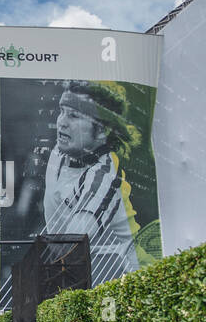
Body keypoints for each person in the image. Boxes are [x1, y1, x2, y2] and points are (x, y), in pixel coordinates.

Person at [34, 81, 143, 282]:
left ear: (102, 130)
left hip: (128, 279)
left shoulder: (105, 176)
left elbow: (72, 245)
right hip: (82, 275)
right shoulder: (58, 153)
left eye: (74, 115)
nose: (62, 122)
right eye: (62, 111)